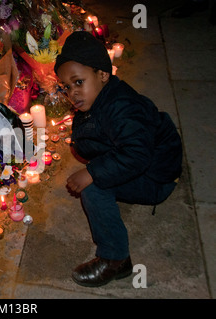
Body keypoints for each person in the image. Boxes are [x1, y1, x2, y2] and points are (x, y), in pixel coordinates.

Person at [54, 31, 183, 287]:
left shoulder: (123, 107)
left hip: (155, 176)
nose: (73, 93)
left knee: (94, 190)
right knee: (99, 161)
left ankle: (115, 259)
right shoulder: (103, 97)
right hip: (147, 160)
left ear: (102, 74)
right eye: (67, 87)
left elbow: (136, 153)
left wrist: (92, 172)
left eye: (78, 82)